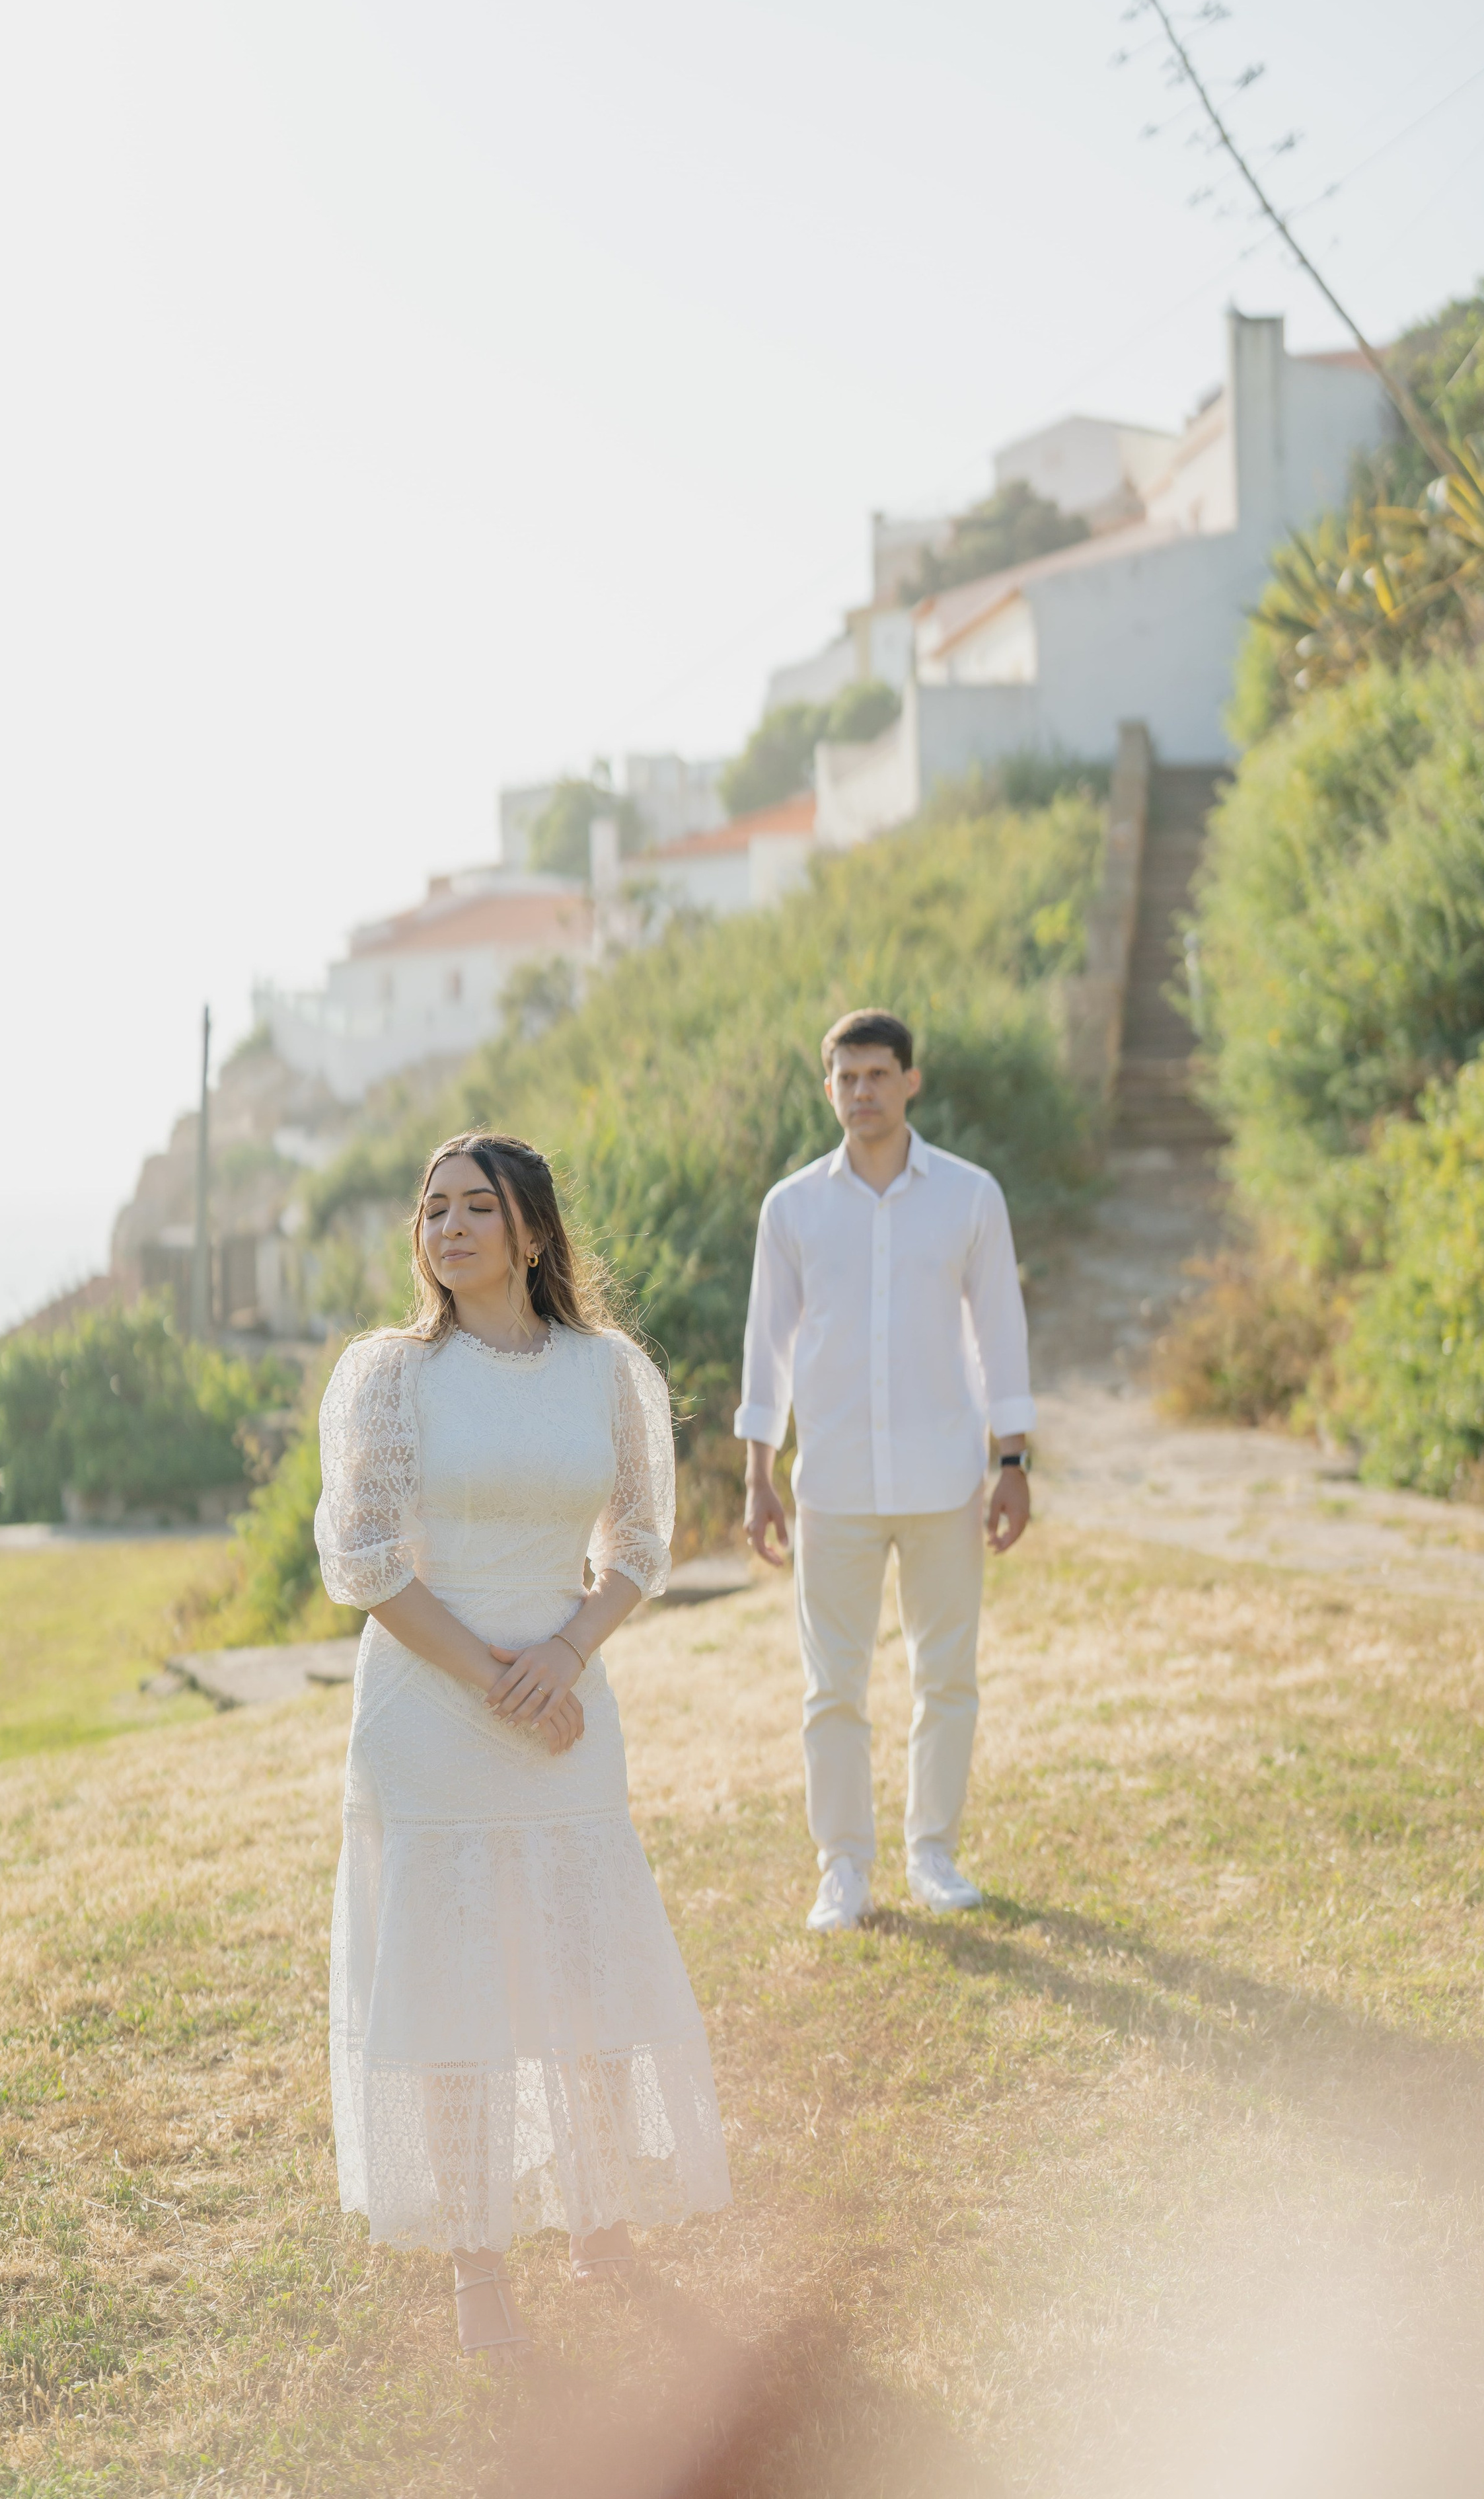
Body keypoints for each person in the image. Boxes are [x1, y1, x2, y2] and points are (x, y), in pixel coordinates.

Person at [314, 1132, 729, 2362]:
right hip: (432, 1714)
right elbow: (370, 1562)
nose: (445, 1226)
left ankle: (599, 2218)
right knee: (452, 1987)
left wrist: (569, 1653)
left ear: (531, 1231)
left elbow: (642, 1542)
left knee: (583, 1962)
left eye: (473, 1207)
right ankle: (475, 2261)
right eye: (431, 1207)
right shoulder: (388, 1374)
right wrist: (505, 1676)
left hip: (565, 1712)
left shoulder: (607, 1371)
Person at [736, 1009, 1035, 1933]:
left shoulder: (971, 1196)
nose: (861, 1091)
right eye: (846, 1077)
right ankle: (844, 1869)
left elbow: (1001, 1333)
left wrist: (1014, 1458)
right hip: (832, 1482)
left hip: (947, 1477)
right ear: (828, 1089)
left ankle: (933, 1854)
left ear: (911, 1080)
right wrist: (758, 1474)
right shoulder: (792, 1207)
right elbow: (767, 1352)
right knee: (832, 1685)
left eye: (877, 1074)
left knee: (946, 1674)